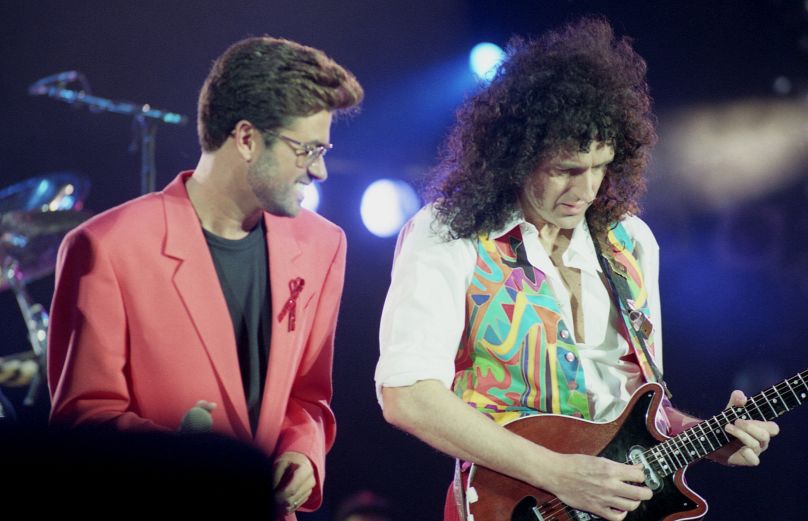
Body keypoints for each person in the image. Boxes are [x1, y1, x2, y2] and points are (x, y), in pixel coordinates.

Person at [375, 18, 779, 521]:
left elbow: (637, 408)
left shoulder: (631, 241)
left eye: (601, 165)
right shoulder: (448, 233)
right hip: (515, 507)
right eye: (566, 170)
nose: (586, 190)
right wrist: (558, 474)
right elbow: (408, 395)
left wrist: (708, 438)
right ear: (515, 157)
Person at [48, 36, 363, 519]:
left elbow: (309, 397)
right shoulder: (106, 246)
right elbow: (84, 420)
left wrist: (303, 452)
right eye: (307, 150)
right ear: (246, 138)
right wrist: (203, 463)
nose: (319, 170)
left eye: (324, 149)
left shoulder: (323, 244)